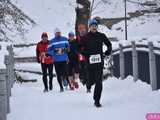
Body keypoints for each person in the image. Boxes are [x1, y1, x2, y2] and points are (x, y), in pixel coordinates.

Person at [80, 19, 112, 107]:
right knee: (90, 81)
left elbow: (109, 44)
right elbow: (78, 47)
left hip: (99, 63)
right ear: (89, 27)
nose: (94, 27)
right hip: (89, 64)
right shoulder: (85, 37)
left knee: (99, 82)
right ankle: (88, 84)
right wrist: (84, 53)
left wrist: (108, 51)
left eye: (95, 26)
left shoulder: (101, 36)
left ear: (97, 27)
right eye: (92, 26)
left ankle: (97, 100)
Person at [48, 28, 69, 92]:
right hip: (56, 60)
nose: (58, 34)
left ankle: (64, 79)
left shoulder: (65, 39)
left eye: (59, 32)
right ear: (55, 34)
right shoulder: (51, 41)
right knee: (58, 74)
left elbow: (68, 48)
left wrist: (65, 49)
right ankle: (61, 87)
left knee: (65, 72)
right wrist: (54, 51)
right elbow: (48, 51)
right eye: (57, 33)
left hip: (64, 59)